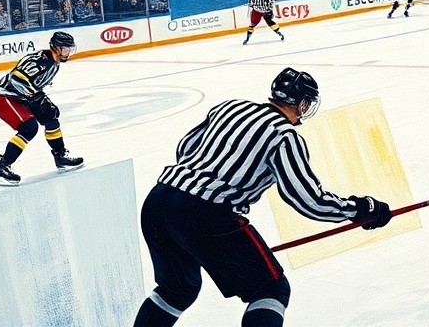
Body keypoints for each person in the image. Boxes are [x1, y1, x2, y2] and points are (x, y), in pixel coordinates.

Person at [132, 68, 392, 327]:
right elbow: (308, 200)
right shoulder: (284, 136)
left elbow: (186, 147)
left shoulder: (230, 108)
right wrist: (358, 209)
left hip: (158, 200)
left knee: (177, 289)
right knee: (271, 289)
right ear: (302, 103)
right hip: (205, 214)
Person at [0, 31, 84, 186]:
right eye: (65, 48)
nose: (68, 52)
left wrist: (38, 97)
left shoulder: (54, 62)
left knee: (51, 118)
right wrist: (35, 97)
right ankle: (2, 167)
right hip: (6, 98)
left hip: (22, 97)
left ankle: (60, 157)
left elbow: (33, 85)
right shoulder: (42, 60)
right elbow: (16, 80)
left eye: (70, 48)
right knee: (29, 128)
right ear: (56, 47)